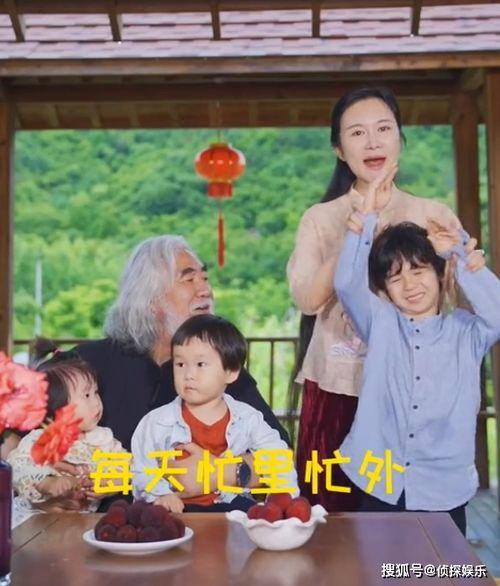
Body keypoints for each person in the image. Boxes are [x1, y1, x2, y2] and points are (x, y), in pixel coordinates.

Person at [287, 86, 462, 511]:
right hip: (339, 383)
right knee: (332, 516)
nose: (372, 142)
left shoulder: (434, 215)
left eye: (384, 129)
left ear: (400, 137)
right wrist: (359, 224)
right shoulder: (320, 218)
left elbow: (459, 302)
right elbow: (307, 299)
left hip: (416, 388)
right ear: (339, 149)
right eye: (357, 133)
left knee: (415, 520)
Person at [67, 235, 289, 506]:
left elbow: (281, 456)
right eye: (189, 278)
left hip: (209, 522)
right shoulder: (88, 363)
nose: (205, 290)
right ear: (151, 300)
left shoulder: (221, 369)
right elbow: (26, 430)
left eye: (205, 278)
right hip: (108, 524)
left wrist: (219, 473)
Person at [333, 168, 496, 535]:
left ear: (439, 274)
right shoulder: (380, 322)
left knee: (436, 566)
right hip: (379, 480)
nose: (409, 285)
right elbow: (345, 284)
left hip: (444, 488)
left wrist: (458, 254)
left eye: (419, 270)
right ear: (383, 289)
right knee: (377, 565)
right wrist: (366, 219)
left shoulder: (467, 331)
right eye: (395, 277)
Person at [132, 314, 298, 512]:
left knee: (252, 514)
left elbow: (278, 457)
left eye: (200, 364)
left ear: (231, 372)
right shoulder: (156, 422)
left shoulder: (248, 418)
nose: (189, 375)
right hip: (178, 509)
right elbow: (140, 469)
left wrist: (284, 498)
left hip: (230, 505)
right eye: (180, 364)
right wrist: (161, 495)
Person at [7, 340, 125, 526]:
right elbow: (18, 467)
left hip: (79, 522)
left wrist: (109, 483)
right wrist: (47, 482)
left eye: (96, 392)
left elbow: (125, 466)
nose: (96, 402)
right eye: (86, 395)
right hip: (34, 519)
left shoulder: (103, 439)